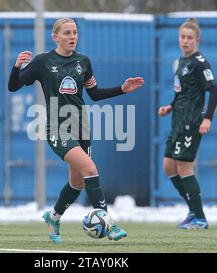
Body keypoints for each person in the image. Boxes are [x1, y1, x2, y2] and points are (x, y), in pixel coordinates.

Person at [8, 17, 144, 243]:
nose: (72, 37)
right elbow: (13, 86)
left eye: (75, 33)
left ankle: (53, 216)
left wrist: (122, 89)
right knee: (90, 168)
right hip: (57, 128)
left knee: (78, 183)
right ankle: (107, 223)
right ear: (55, 37)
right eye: (67, 33)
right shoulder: (43, 62)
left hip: (81, 127)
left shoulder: (84, 61)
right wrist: (16, 67)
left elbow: (95, 94)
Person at [158, 18, 217, 229]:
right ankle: (193, 210)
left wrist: (207, 118)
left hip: (191, 122)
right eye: (182, 37)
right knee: (168, 166)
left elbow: (214, 91)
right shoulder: (182, 62)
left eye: (189, 38)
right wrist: (171, 106)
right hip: (178, 120)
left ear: (197, 40)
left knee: (184, 167)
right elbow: (183, 93)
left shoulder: (200, 62)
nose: (185, 41)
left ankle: (200, 217)